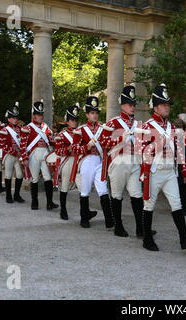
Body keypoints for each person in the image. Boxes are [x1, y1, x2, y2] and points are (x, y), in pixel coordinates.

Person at [139, 84, 186, 251]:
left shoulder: (171, 127)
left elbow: (179, 149)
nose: (167, 107)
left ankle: (184, 238)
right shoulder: (146, 126)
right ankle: (147, 239)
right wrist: (158, 143)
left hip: (170, 171)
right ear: (155, 107)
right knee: (149, 205)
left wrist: (183, 167)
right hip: (154, 171)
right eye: (163, 105)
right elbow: (141, 151)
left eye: (168, 105)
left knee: (177, 204)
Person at [99, 85, 151, 238]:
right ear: (122, 105)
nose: (133, 107)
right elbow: (103, 142)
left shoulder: (138, 124)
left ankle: (140, 228)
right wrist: (121, 137)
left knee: (136, 194)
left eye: (134, 104)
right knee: (117, 195)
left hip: (134, 161)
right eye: (130, 104)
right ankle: (118, 226)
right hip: (119, 162)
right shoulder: (113, 123)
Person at [72, 97, 114, 229]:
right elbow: (74, 148)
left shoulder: (103, 128)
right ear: (87, 114)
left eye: (96, 112)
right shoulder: (81, 130)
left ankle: (109, 220)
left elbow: (108, 144)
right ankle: (84, 218)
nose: (95, 115)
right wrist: (86, 147)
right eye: (92, 113)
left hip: (100, 161)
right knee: (85, 190)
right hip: (87, 161)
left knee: (103, 190)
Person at [20, 99, 58, 211]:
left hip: (45, 155)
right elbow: (23, 145)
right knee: (35, 178)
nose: (40, 117)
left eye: (41, 114)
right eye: (37, 114)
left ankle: (49, 202)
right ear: (33, 115)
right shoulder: (27, 128)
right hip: (33, 155)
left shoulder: (46, 128)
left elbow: (51, 141)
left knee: (48, 178)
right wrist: (25, 158)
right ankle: (34, 202)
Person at [54, 103, 80, 220]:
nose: (74, 122)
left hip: (80, 160)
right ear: (67, 121)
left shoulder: (82, 133)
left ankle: (84, 212)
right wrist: (67, 149)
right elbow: (58, 151)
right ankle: (63, 210)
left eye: (75, 119)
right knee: (64, 186)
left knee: (83, 187)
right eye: (72, 120)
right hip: (69, 160)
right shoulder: (62, 135)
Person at [0, 102, 24, 204]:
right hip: (9, 155)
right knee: (8, 175)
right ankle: (8, 195)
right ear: (8, 119)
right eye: (12, 118)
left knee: (20, 174)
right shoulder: (4, 130)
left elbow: (23, 142)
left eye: (16, 118)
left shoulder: (21, 129)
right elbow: (2, 145)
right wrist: (14, 152)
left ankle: (17, 194)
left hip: (18, 155)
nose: (15, 119)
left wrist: (21, 153)